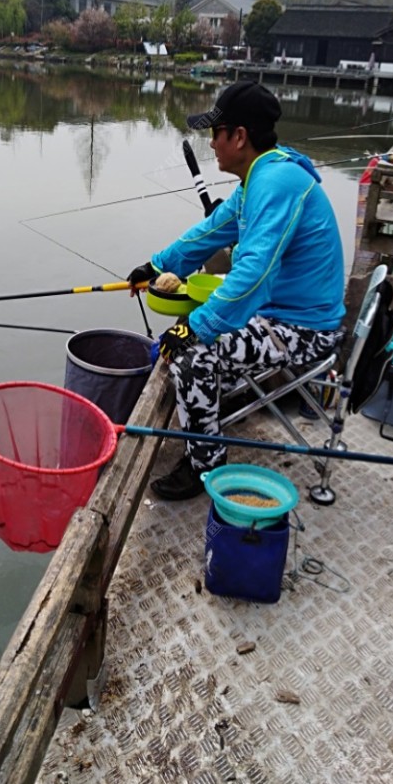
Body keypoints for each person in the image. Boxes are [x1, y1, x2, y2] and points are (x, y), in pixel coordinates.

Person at [127, 81, 346, 501]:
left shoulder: (275, 181)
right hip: (280, 315)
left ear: (239, 136)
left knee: (191, 354)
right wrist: (155, 265)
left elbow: (255, 273)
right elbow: (210, 233)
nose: (211, 144)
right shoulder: (258, 177)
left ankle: (204, 469)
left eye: (216, 133)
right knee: (196, 334)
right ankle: (209, 417)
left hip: (303, 331)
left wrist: (198, 326)